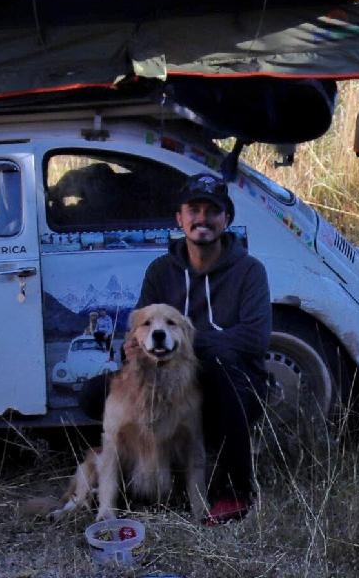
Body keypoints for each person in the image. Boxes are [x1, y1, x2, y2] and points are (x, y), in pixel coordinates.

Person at [135, 171, 271, 524]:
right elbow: (141, 332)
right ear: (179, 219)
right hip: (171, 380)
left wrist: (188, 343)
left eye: (212, 210)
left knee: (221, 364)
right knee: (94, 394)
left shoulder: (250, 271)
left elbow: (255, 339)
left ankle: (237, 490)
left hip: (235, 380)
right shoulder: (160, 271)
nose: (202, 219)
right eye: (193, 209)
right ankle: (136, 482)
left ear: (226, 220)